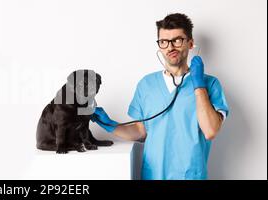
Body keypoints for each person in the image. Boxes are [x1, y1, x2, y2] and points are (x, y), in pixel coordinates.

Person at [92, 13, 229, 180]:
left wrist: (198, 85)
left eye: (177, 40)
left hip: (191, 175)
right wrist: (110, 125)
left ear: (190, 43)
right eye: (164, 42)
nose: (170, 47)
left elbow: (210, 131)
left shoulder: (210, 84)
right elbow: (141, 131)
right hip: (153, 175)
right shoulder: (146, 84)